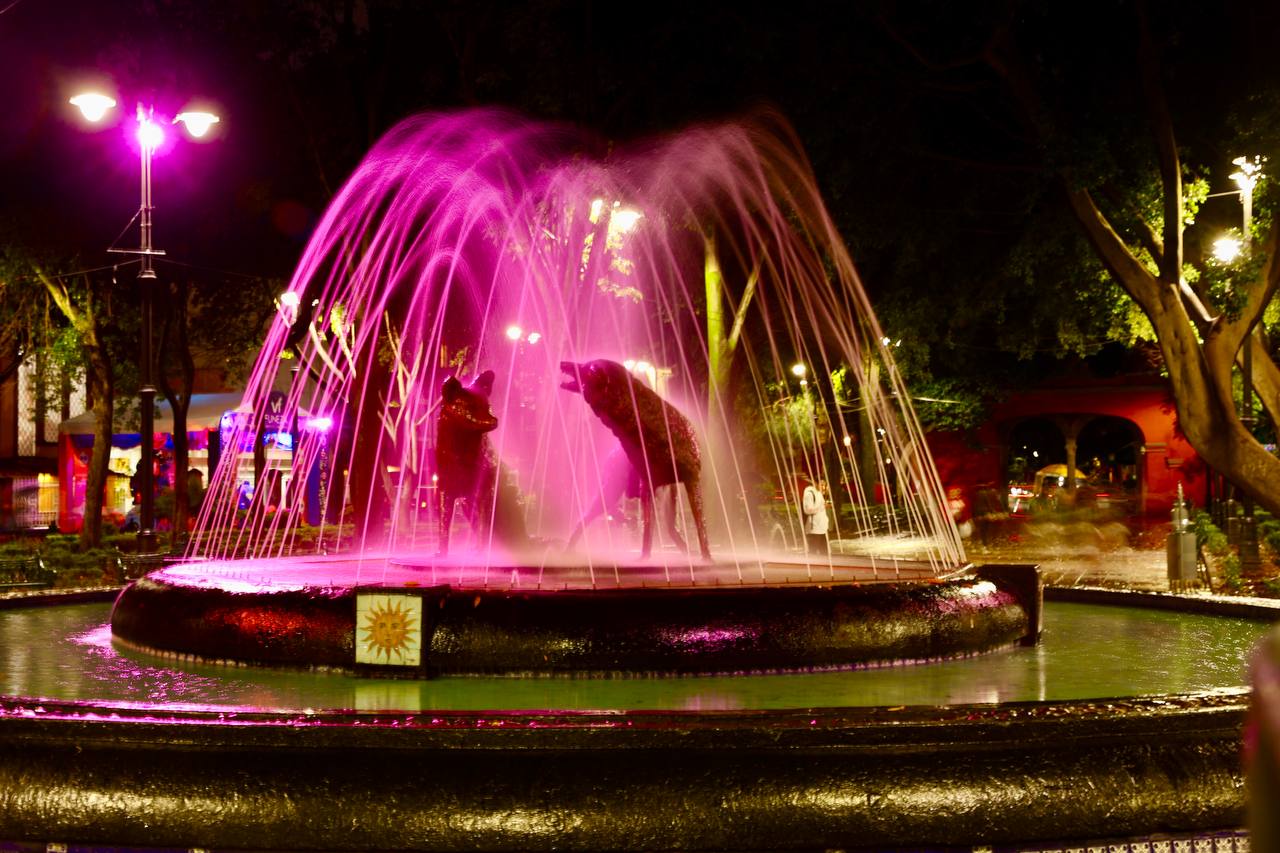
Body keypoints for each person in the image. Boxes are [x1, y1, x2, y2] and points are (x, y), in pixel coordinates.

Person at [802, 478, 829, 555]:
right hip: (813, 528)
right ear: (815, 483)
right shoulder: (809, 493)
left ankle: (823, 565)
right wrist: (822, 507)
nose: (823, 487)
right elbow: (808, 510)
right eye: (821, 485)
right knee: (813, 552)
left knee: (824, 553)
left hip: (821, 528)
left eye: (824, 485)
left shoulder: (819, 493)